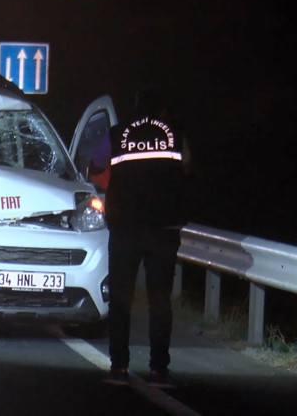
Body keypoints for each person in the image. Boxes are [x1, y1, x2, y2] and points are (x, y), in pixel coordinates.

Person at [93, 87, 190, 388]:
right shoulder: (175, 134)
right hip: (163, 229)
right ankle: (159, 370)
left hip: (124, 227)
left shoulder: (117, 133)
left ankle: (119, 367)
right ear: (162, 110)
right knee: (159, 300)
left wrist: (117, 190)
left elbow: (95, 169)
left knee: (121, 299)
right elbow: (186, 168)